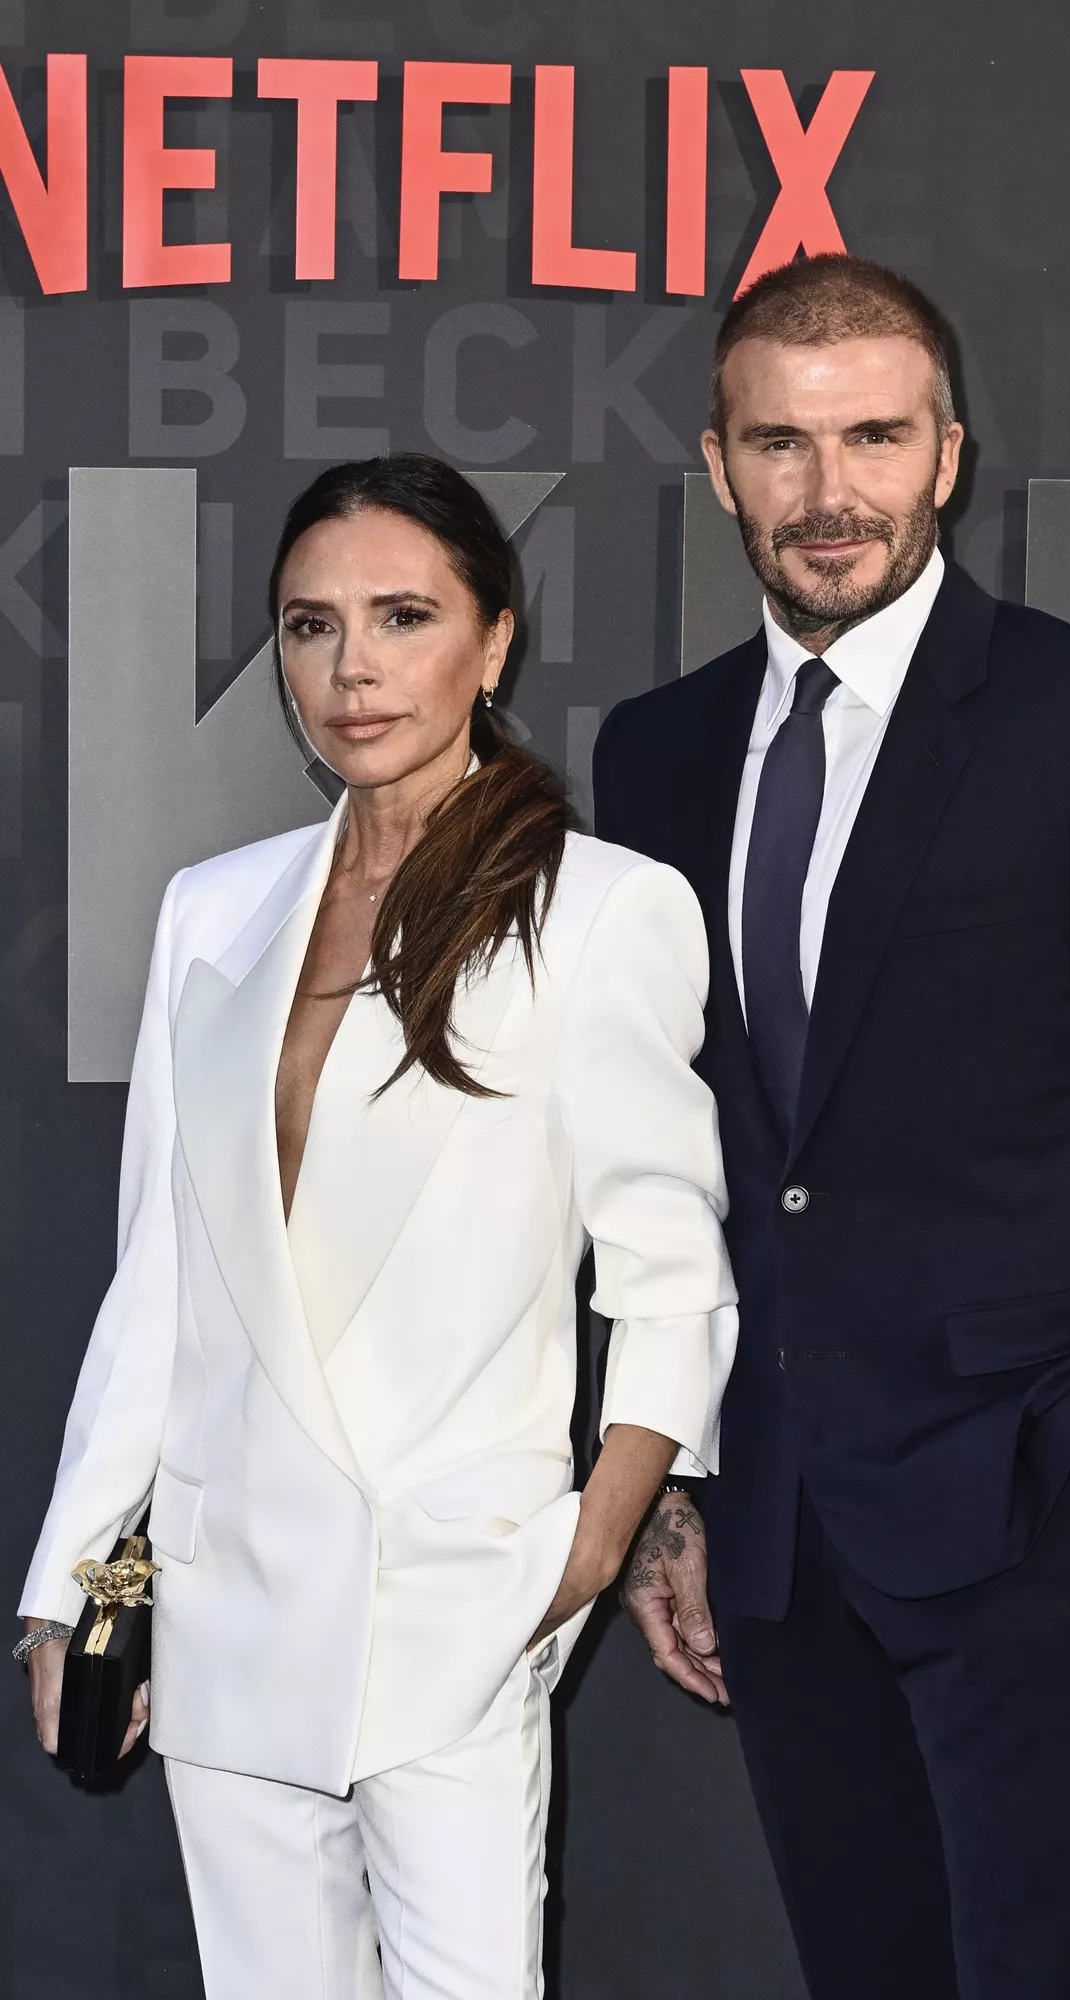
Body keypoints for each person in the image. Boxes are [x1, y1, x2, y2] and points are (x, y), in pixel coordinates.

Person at [594, 255, 1070, 1999]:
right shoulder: (660, 753)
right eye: (782, 442)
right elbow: (658, 1157)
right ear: (717, 465)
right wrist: (674, 1487)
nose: (829, 491)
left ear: (948, 456)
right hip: (775, 1534)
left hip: (1032, 1529)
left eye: (873, 438)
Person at [17, 453, 737, 1999]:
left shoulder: (603, 909)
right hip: (228, 1595)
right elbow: (164, 1273)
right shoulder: (214, 911)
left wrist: (582, 1552)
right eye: (308, 626)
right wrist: (71, 1573)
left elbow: (673, 1276)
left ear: (492, 641)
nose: (351, 668)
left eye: (401, 616)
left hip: (457, 1595)